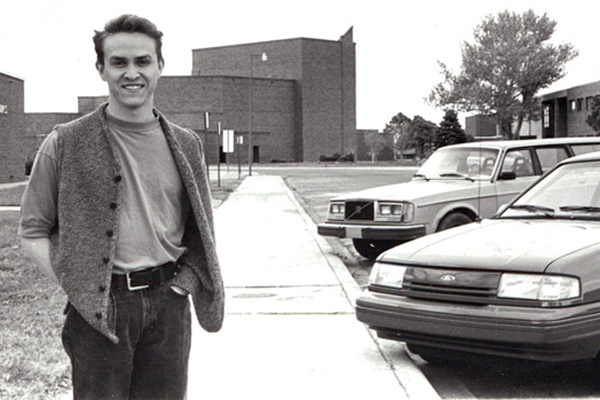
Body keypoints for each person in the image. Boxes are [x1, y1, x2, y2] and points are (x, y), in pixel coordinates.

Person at [19, 14, 224, 399]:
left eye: (143, 61)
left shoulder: (186, 145)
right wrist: (81, 286)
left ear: (160, 67)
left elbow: (202, 234)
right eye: (119, 62)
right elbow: (32, 231)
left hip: (169, 306)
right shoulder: (65, 143)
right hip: (100, 311)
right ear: (101, 69)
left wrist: (182, 287)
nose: (132, 73)